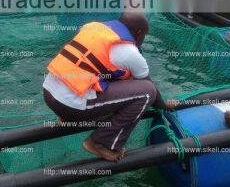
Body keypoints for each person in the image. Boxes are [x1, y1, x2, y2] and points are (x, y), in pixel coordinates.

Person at [43, 12, 175, 161]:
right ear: (139, 33)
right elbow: (152, 90)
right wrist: (165, 106)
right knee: (147, 92)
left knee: (100, 72)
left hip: (49, 94)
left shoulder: (93, 27)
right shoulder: (130, 52)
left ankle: (65, 117)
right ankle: (101, 143)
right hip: (71, 106)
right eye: (144, 35)